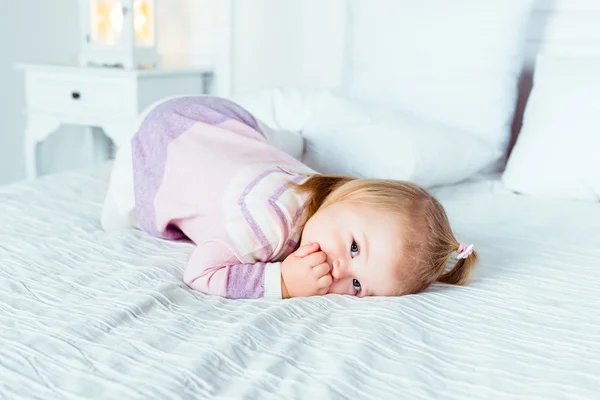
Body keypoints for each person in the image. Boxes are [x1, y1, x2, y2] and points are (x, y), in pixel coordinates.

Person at [102, 95, 477, 299]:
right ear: (351, 194)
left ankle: (290, 142)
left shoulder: (320, 196)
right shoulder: (265, 226)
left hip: (204, 115)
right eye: (354, 249)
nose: (339, 272)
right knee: (116, 219)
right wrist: (280, 282)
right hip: (152, 147)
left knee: (272, 150)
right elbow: (199, 272)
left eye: (357, 287)